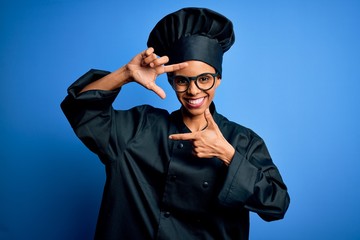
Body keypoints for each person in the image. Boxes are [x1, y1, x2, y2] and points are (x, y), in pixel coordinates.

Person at [61, 7, 290, 240]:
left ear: (218, 79)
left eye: (204, 79)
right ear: (170, 81)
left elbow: (277, 205)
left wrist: (228, 155)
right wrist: (126, 74)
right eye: (182, 80)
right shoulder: (140, 128)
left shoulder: (244, 141)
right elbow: (80, 109)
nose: (193, 91)